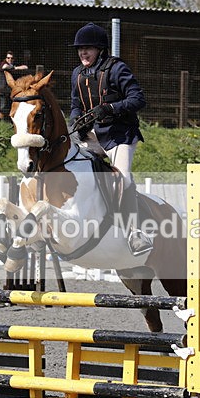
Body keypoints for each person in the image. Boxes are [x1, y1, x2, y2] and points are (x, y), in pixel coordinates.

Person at [69, 22, 152, 256]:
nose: (83, 53)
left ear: (100, 49)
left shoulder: (117, 69)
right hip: (93, 136)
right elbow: (75, 104)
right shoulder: (77, 73)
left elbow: (139, 99)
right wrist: (77, 123)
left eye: (88, 48)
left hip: (119, 135)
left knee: (123, 178)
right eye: (80, 49)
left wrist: (111, 108)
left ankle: (134, 233)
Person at [0, 51, 28, 119]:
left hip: (11, 90)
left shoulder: (13, 65)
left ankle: (10, 121)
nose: (10, 60)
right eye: (8, 58)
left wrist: (15, 67)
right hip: (2, 89)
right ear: (5, 58)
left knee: (11, 106)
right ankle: (1, 122)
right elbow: (5, 67)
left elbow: (25, 67)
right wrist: (14, 68)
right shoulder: (4, 63)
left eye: (11, 58)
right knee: (3, 106)